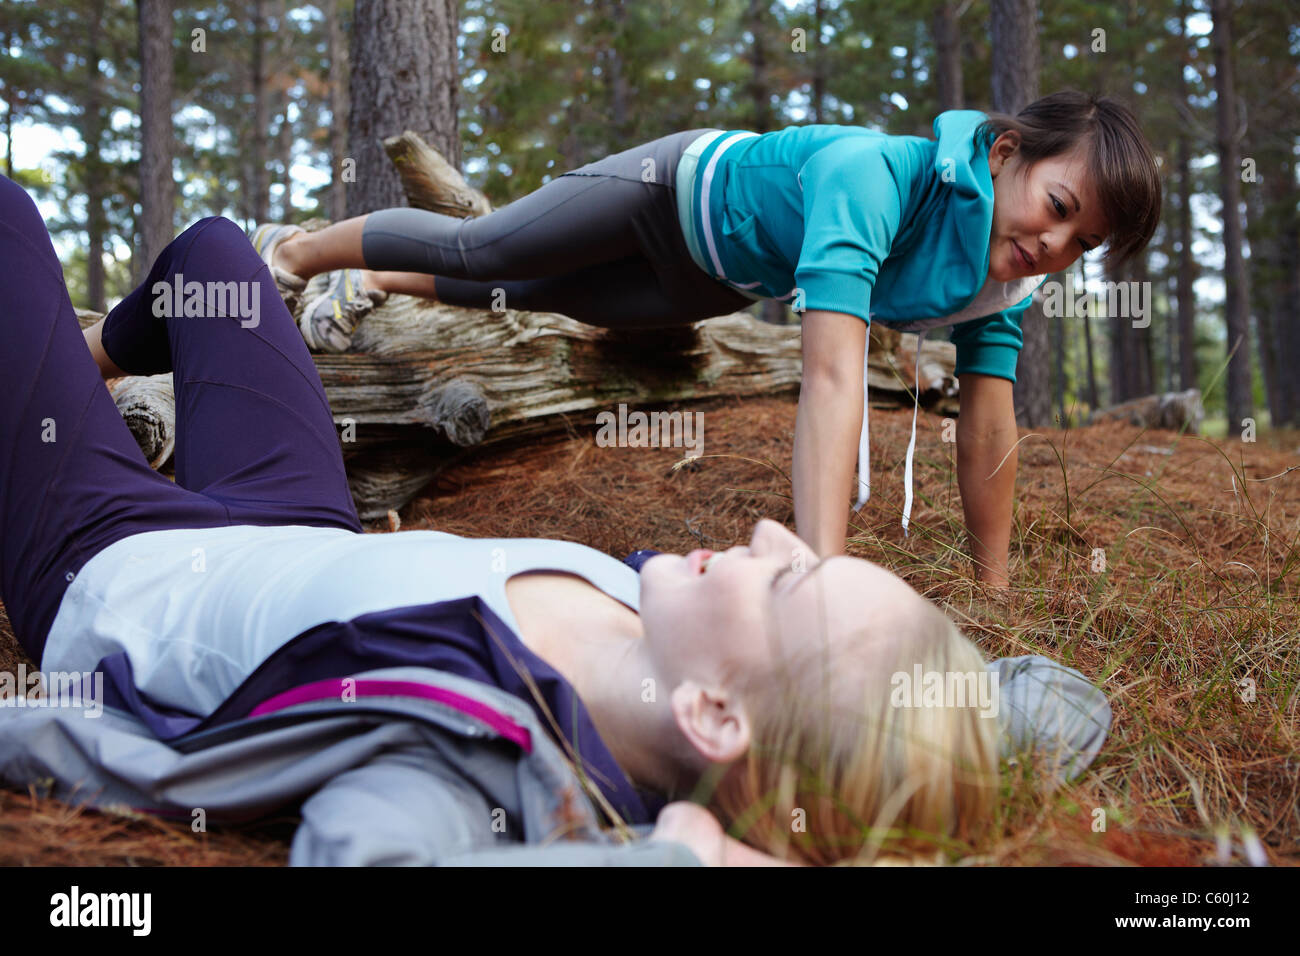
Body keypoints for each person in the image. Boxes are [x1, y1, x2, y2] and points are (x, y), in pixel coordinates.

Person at [0, 174, 1110, 866]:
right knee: (217, 258)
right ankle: (92, 375)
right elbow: (989, 706)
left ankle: (45, 419)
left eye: (788, 580)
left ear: (715, 713)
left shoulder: (477, 765)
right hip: (295, 523)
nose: (779, 536)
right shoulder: (667, 625)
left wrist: (684, 859)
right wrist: (974, 710)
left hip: (117, 561)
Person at [249, 89, 1161, 585]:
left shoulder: (995, 288)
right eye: (1058, 208)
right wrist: (822, 577)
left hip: (711, 278)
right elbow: (834, 380)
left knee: (525, 293)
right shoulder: (874, 176)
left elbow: (989, 429)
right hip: (668, 186)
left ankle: (367, 277)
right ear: (1004, 155)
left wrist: (993, 590)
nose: (1053, 247)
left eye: (1080, 245)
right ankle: (291, 249)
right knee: (488, 241)